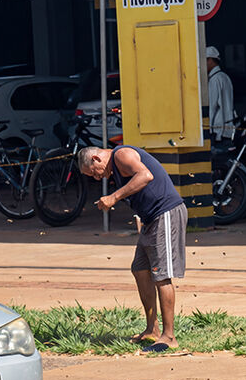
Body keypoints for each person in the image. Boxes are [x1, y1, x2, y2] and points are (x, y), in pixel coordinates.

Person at [78, 145, 187, 353]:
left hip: (165, 213)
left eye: (93, 172)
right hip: (150, 219)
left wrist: (113, 197)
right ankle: (152, 329)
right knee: (139, 269)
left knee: (161, 275)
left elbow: (145, 176)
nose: (96, 178)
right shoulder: (116, 166)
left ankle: (169, 336)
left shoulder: (121, 155)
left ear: (96, 159)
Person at [206, 46, 235, 154]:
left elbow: (212, 107)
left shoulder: (214, 80)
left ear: (210, 60)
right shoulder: (224, 77)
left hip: (218, 130)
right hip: (227, 128)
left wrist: (209, 129)